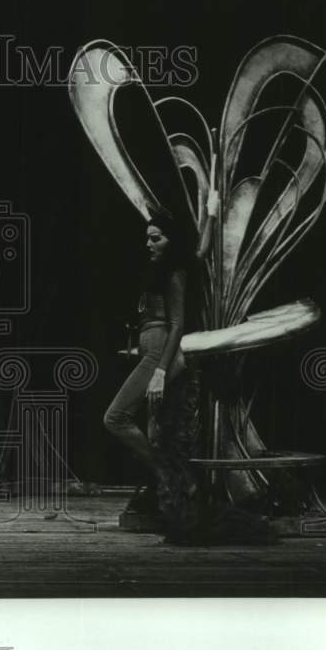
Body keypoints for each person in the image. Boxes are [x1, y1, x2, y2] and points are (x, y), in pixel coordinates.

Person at [102, 190, 218, 529]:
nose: (149, 244)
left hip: (160, 350)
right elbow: (202, 251)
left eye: (156, 238)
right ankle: (173, 484)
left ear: (170, 240)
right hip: (151, 349)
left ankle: (172, 476)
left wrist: (160, 370)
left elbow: (178, 324)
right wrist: (210, 213)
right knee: (155, 429)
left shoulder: (174, 272)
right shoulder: (173, 264)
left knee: (116, 417)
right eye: (148, 238)